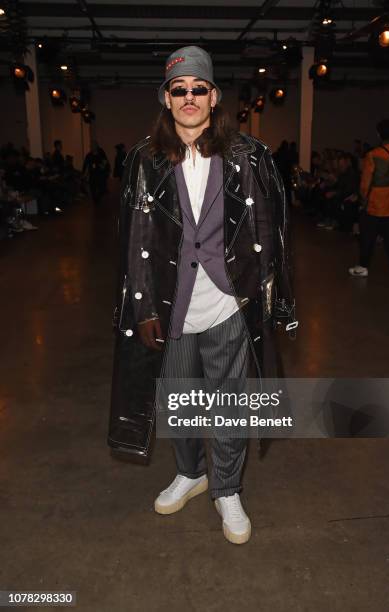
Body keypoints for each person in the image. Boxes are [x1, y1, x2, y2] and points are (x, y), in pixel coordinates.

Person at [108, 46, 296, 545]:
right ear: (166, 99)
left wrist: (268, 297)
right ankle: (192, 474)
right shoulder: (143, 161)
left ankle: (227, 489)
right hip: (170, 304)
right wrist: (143, 306)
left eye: (198, 88)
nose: (189, 97)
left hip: (228, 301)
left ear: (213, 97)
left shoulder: (249, 156)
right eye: (179, 89)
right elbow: (135, 242)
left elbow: (269, 231)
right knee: (178, 399)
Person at [349, 119, 389, 286]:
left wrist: (363, 199)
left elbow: (366, 183)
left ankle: (363, 267)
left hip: (376, 203)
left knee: (368, 236)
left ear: (378, 134)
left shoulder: (373, 155)